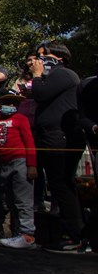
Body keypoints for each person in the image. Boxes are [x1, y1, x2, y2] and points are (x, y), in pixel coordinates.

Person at [29, 43, 87, 253]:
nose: (39, 60)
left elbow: (40, 93)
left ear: (59, 58)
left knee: (62, 184)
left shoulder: (65, 74)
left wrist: (36, 76)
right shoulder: (54, 77)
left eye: (43, 55)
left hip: (60, 136)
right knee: (56, 184)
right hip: (48, 135)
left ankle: (76, 236)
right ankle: (67, 232)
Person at [0, 91, 38, 249]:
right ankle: (17, 233)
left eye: (14, 103)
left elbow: (29, 141)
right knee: (9, 200)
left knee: (23, 200)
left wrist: (32, 165)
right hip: (3, 163)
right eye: (7, 102)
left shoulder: (20, 119)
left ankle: (27, 235)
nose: (11, 106)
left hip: (20, 161)